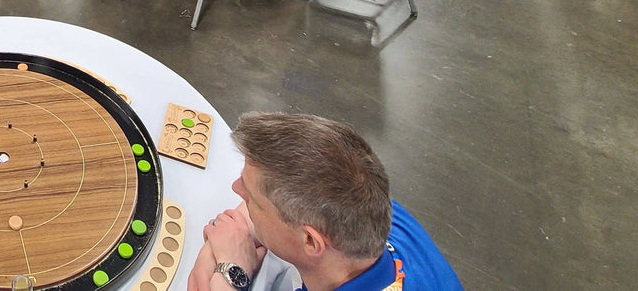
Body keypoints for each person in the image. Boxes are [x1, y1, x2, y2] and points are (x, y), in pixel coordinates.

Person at [188, 112, 462, 291]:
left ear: (311, 241)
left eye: (253, 198)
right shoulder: (368, 209)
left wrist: (231, 273)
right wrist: (230, 237)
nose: (236, 190)